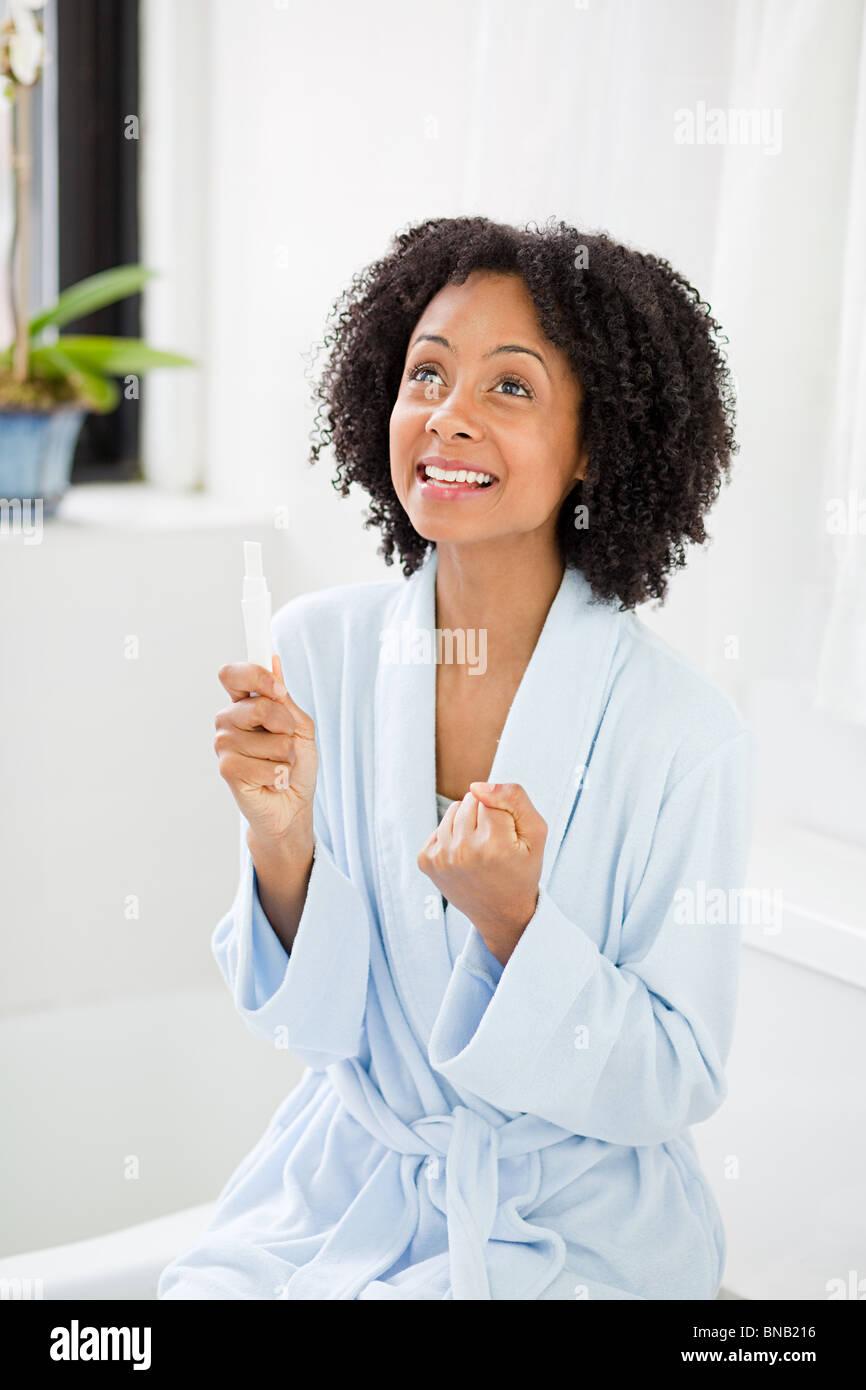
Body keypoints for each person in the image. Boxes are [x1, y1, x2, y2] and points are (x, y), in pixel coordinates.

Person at [158, 215, 757, 1300]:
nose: (447, 417)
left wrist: (514, 926)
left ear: (593, 445)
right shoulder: (315, 651)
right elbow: (309, 1025)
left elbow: (676, 1076)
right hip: (346, 1187)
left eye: (509, 388)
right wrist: (281, 843)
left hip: (577, 1226)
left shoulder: (684, 734)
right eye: (425, 373)